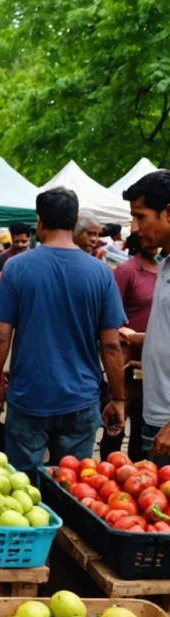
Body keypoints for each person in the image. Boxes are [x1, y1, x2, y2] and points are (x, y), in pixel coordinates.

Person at [0, 187, 127, 472]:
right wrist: (119, 398)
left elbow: (1, 334)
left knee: (24, 491)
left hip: (28, 399)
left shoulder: (16, 267)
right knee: (73, 488)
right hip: (81, 400)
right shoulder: (100, 272)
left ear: (39, 222)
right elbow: (112, 345)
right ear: (75, 220)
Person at [118, 170, 170, 459]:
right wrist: (141, 342)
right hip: (156, 411)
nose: (134, 228)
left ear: (168, 213)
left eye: (141, 217)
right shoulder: (165, 264)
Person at [101, 233, 158, 457]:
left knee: (142, 425)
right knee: (116, 424)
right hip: (125, 360)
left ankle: (136, 474)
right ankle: (107, 470)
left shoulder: (163, 270)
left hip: (151, 360)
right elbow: (111, 315)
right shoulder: (127, 271)